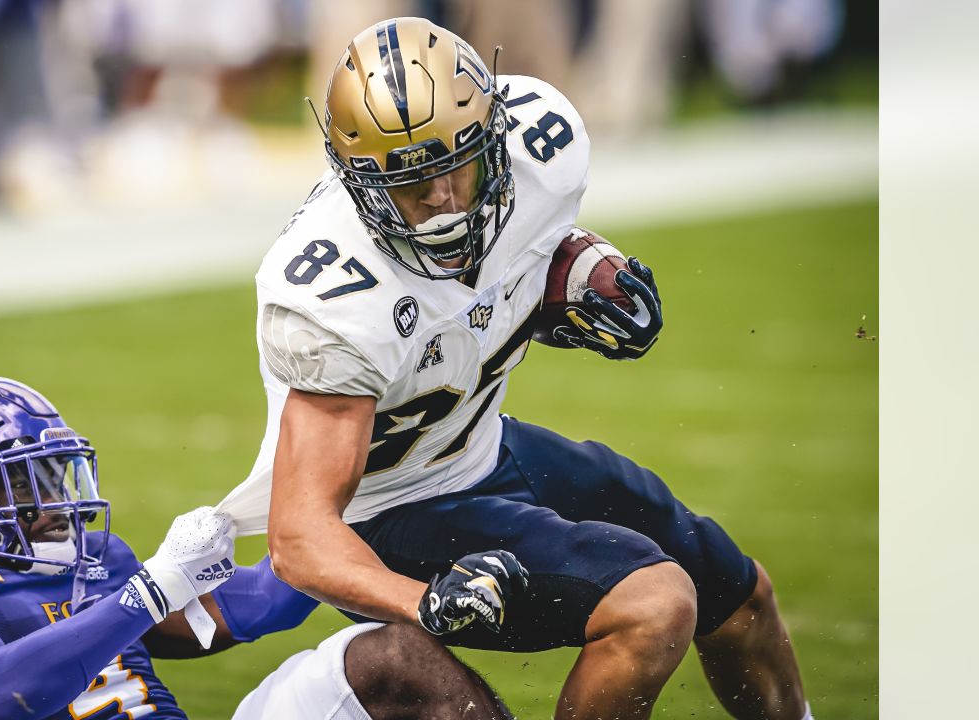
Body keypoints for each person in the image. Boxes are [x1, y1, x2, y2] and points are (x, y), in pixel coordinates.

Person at [217, 17, 812, 720]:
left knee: (739, 596)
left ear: (495, 137)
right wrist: (423, 601)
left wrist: (587, 269)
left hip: (481, 448)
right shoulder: (330, 292)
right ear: (359, 183)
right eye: (411, 184)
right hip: (390, 508)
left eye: (456, 166)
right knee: (654, 605)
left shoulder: (542, 144)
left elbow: (522, 261)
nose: (442, 200)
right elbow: (299, 535)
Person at [0, 376, 523, 719]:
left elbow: (243, 611)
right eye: (23, 480)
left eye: (52, 471)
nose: (52, 497)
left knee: (393, 656)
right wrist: (151, 587)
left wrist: (366, 506)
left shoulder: (94, 563)